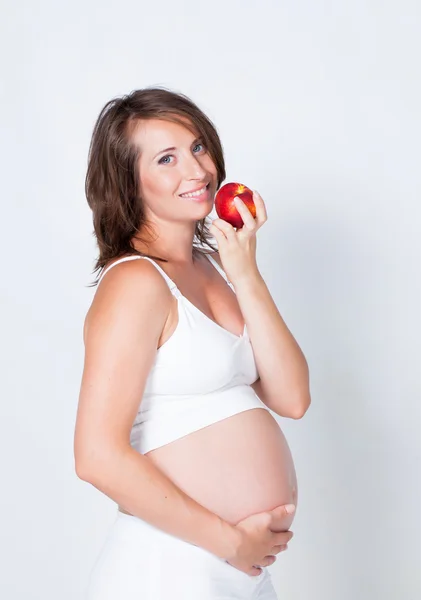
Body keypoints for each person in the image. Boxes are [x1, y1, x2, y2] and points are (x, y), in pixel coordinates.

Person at [74, 87, 311, 599]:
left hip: (238, 573)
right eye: (167, 158)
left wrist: (246, 274)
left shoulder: (212, 269)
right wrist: (230, 541)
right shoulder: (135, 283)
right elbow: (96, 455)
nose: (197, 170)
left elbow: (292, 398)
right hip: (169, 568)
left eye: (198, 147)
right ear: (128, 183)